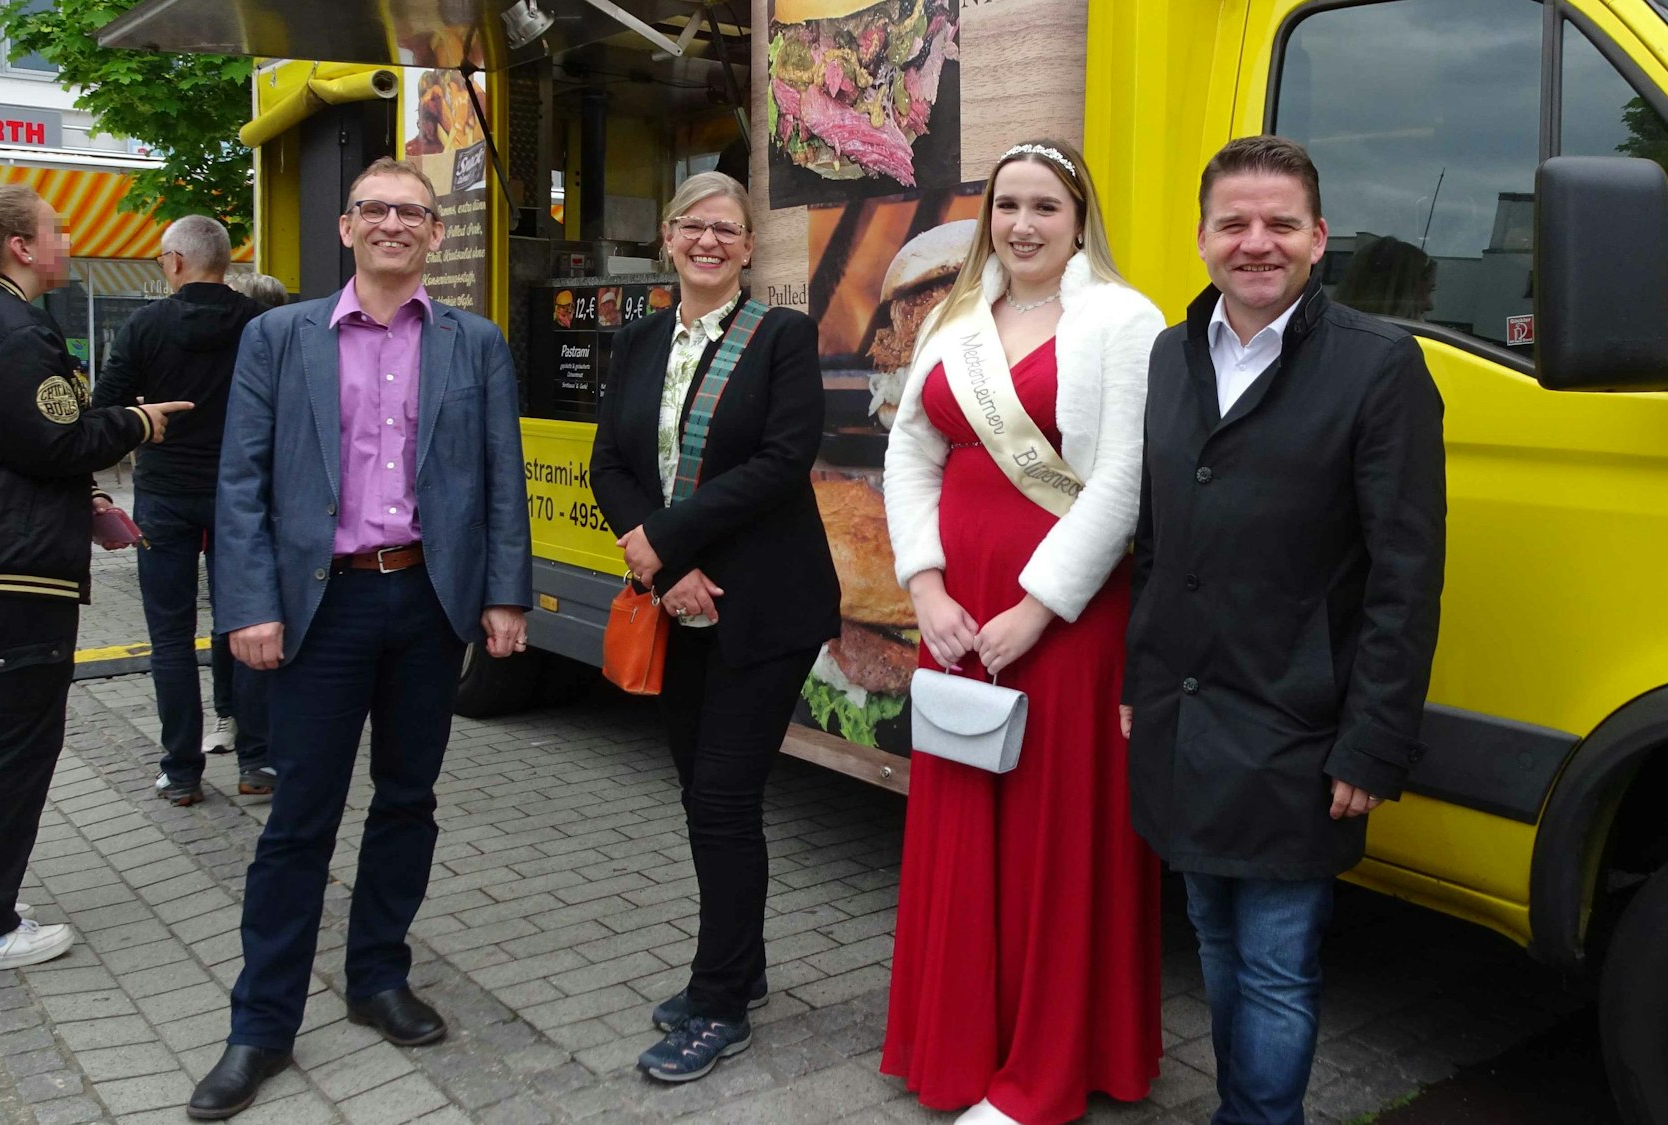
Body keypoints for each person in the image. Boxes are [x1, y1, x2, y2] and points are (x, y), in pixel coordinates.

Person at [187, 158, 531, 1119]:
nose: (392, 224)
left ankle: (378, 974)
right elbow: (241, 482)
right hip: (318, 610)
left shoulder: (474, 342)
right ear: (346, 227)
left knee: (408, 800)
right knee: (301, 817)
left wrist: (507, 595)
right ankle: (260, 1023)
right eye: (374, 209)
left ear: (433, 233)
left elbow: (502, 477)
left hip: (427, 601)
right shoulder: (277, 337)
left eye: (410, 212)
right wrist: (249, 606)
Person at [1123, 135, 1446, 1125]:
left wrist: (1371, 740)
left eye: (1276, 225)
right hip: (1183, 714)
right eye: (1233, 224)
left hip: (1295, 727)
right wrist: (1136, 686)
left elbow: (1405, 576)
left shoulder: (1380, 367)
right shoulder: (1172, 356)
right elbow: (1154, 537)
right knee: (1212, 939)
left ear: (1315, 238)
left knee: (1272, 965)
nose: (1253, 243)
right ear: (1201, 238)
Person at [880, 139, 1167, 1125]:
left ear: (1079, 217)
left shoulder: (1124, 321)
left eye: (1044, 206)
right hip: (956, 609)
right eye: (1006, 205)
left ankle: (1040, 1073)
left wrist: (1038, 606)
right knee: (960, 818)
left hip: (1065, 614)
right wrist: (920, 584)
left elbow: (1128, 477)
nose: (1022, 225)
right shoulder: (956, 317)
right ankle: (954, 1046)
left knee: (1057, 835)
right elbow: (909, 452)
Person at [588, 171, 840, 1084]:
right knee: (701, 793)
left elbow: (782, 461)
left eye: (727, 230)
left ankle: (721, 998)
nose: (709, 241)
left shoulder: (781, 337)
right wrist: (661, 560)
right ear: (668, 235)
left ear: (746, 248)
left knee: (726, 801)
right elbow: (609, 459)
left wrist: (666, 540)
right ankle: (749, 961)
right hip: (679, 594)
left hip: (764, 606)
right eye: (694, 226)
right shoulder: (642, 336)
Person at [0, 183, 192, 969]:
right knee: (17, 744)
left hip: (11, 560)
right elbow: (54, 438)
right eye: (57, 229)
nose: (68, 241)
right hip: (20, 574)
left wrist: (88, 492)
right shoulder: (17, 331)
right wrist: (137, 421)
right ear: (20, 246)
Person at [93, 214, 274, 805]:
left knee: (170, 637)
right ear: (226, 262)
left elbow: (106, 414)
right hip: (241, 495)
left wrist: (146, 421)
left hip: (165, 494)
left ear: (173, 261)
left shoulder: (145, 326)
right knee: (242, 622)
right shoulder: (260, 325)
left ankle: (181, 771)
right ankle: (257, 763)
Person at [1333, 235, 1436, 321]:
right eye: (1426, 291)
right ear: (1398, 294)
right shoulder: (1413, 342)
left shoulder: (1325, 335)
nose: (1429, 305)